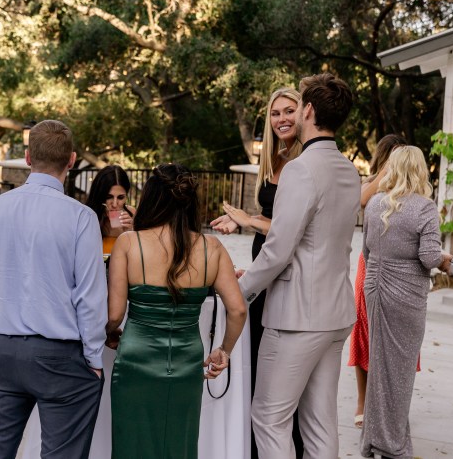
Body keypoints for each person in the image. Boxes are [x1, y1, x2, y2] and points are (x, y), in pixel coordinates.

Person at [237, 72, 360, 458]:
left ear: (307, 110)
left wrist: (237, 291)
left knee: (269, 417)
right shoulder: (349, 169)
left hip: (296, 318)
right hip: (336, 314)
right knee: (320, 423)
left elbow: (278, 250)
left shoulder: (300, 169)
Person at [0, 120, 108, 459]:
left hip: (5, 348)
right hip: (60, 355)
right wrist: (93, 357)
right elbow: (90, 296)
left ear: (28, 157)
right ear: (71, 160)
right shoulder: (80, 217)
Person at [105, 163, 247, 459]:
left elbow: (115, 314)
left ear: (151, 199)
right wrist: (224, 350)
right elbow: (237, 310)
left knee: (132, 444)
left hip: (136, 359)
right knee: (179, 443)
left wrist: (110, 332)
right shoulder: (212, 247)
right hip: (186, 362)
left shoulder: (129, 242)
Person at [210, 86, 304, 459]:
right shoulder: (276, 157)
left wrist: (249, 220)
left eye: (289, 110)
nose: (282, 118)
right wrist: (243, 223)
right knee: (256, 373)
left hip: (288, 280)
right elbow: (271, 220)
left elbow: (293, 231)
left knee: (279, 383)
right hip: (263, 274)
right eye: (275, 113)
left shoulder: (304, 162)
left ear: (304, 112)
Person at [359, 146, 452, 458]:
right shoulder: (424, 208)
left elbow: (367, 252)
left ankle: (375, 440)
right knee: (399, 372)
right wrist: (446, 260)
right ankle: (392, 445)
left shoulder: (374, 203)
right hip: (406, 294)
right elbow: (429, 257)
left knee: (379, 367)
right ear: (420, 170)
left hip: (374, 287)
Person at [348, 133, 408, 428]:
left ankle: (389, 404)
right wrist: (383, 173)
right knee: (363, 328)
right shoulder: (371, 182)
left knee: (396, 336)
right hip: (369, 263)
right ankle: (363, 401)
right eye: (392, 156)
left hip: (401, 267)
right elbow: (360, 201)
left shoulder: (410, 187)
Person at [85, 165, 135, 254]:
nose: (115, 204)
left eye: (120, 197)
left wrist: (130, 231)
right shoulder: (88, 216)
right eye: (109, 197)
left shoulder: (132, 214)